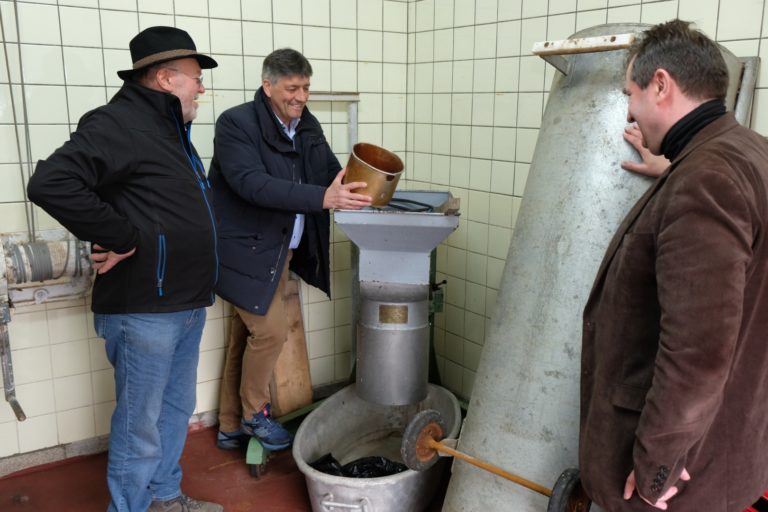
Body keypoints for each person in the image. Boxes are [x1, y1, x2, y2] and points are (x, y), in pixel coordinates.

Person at [27, 26, 222, 512]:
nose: (202, 88)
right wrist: (122, 237)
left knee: (174, 411)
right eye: (196, 78)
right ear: (165, 78)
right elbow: (51, 182)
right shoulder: (119, 123)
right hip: (144, 308)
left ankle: (165, 498)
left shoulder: (170, 131)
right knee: (141, 425)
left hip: (185, 302)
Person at [580, 19, 768, 512]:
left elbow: (697, 352)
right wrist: (673, 170)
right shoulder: (751, 153)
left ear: (661, 85)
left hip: (679, 481)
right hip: (732, 446)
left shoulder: (705, 181)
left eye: (631, 93)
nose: (629, 110)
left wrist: (654, 469)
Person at [208, 48, 371, 451]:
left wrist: (358, 185)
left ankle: (229, 423)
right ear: (268, 86)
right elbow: (251, 184)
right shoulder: (236, 123)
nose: (301, 96)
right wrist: (323, 198)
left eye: (306, 88)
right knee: (270, 332)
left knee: (245, 334)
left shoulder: (305, 123)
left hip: (281, 249)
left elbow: (326, 170)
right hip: (246, 250)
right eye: (292, 88)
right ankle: (254, 415)